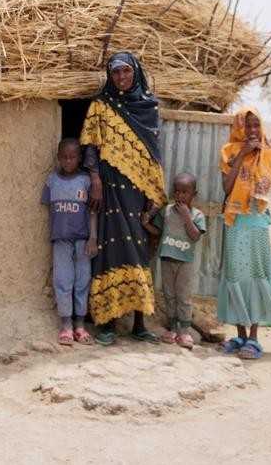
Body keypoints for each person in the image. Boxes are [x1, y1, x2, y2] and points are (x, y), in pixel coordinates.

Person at [80, 51, 167, 346]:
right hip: (109, 188)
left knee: (138, 253)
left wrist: (155, 192)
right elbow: (90, 146)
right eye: (116, 72)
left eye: (126, 72)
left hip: (137, 194)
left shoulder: (149, 107)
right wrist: (94, 179)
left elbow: (154, 155)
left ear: (136, 72)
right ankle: (108, 324)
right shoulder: (100, 106)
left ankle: (140, 323)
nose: (121, 78)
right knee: (110, 251)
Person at [216, 106, 271, 360]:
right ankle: (239, 335)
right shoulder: (228, 151)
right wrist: (242, 154)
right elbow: (227, 188)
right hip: (234, 221)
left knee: (256, 275)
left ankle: (253, 338)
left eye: (255, 125)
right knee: (235, 276)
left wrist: (256, 152)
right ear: (239, 127)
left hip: (256, 222)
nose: (251, 130)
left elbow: (262, 187)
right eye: (246, 125)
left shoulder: (269, 154)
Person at [41, 138, 96, 345]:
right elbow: (47, 207)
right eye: (64, 157)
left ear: (79, 158)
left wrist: (93, 237)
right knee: (63, 281)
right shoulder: (52, 180)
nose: (68, 161)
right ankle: (66, 325)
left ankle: (80, 325)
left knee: (82, 281)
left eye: (73, 157)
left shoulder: (85, 181)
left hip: (83, 239)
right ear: (58, 158)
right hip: (61, 239)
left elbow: (93, 211)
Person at [142, 172, 206, 349]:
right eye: (177, 191)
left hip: (185, 261)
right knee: (169, 295)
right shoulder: (167, 211)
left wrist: (186, 216)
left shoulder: (197, 215)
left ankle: (184, 331)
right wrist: (146, 224)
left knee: (183, 296)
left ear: (194, 194)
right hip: (167, 259)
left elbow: (195, 236)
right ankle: (172, 327)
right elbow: (158, 232)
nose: (180, 195)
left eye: (185, 192)